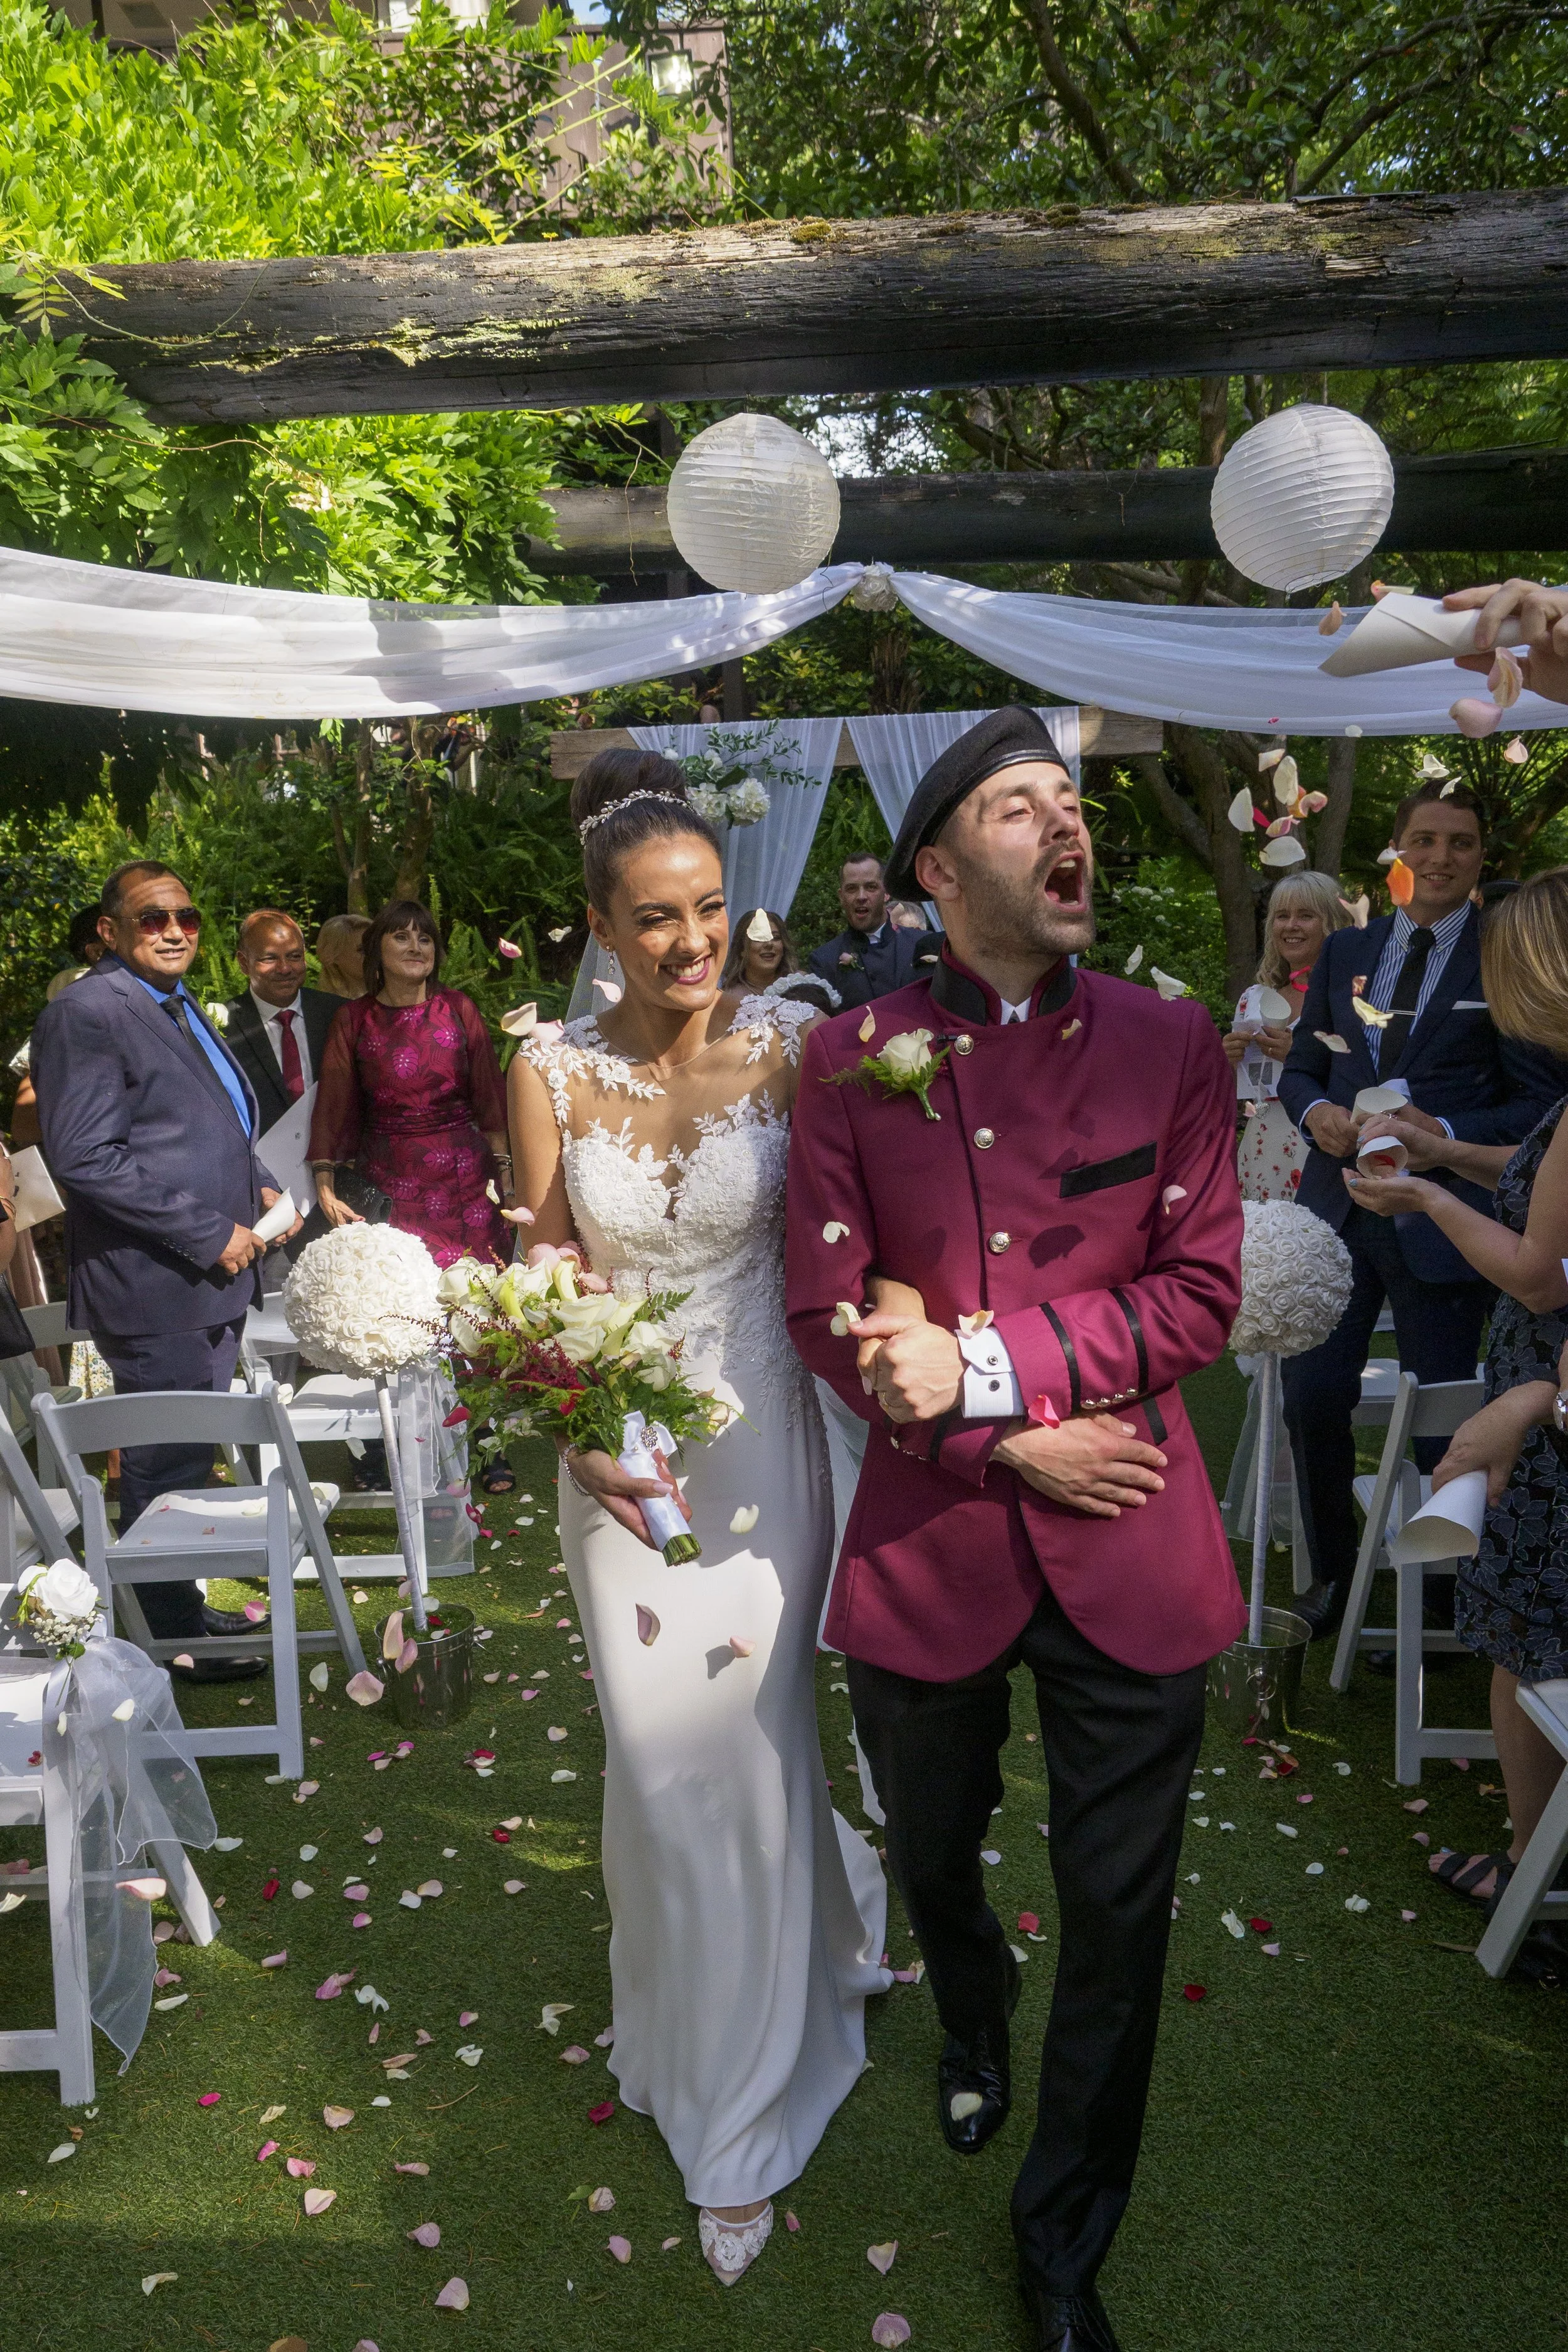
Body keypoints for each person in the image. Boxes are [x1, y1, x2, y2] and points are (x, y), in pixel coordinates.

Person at [787, 706, 1245, 2352]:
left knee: (1119, 1918)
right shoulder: (847, 1053)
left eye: (1073, 799)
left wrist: (987, 1366)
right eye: (1014, 803)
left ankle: (1064, 2237)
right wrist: (1004, 1447)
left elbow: (1197, 1295)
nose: (1066, 823)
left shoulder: (1168, 1040)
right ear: (931, 868)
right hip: (933, 1544)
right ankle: (967, 2013)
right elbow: (822, 1308)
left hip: (1130, 1531)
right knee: (930, 1849)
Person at [509, 746, 891, 2287]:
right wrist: (579, 1421)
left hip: (767, 1460)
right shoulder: (545, 1067)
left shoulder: (797, 1047)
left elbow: (862, 1231)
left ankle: (742, 2111)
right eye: (657, 917)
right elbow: (541, 1271)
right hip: (614, 1456)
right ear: (601, 923)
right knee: (659, 1764)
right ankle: (693, 2014)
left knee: (750, 1739)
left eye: (712, 909)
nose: (691, 941)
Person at [1276, 781, 1565, 1637]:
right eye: (1426, 840)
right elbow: (1299, 1067)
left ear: (1482, 857)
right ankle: (1334, 1572)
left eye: (1462, 843)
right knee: (1313, 1395)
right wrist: (1314, 1113)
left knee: (1443, 1416)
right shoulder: (1346, 952)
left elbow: (1538, 1109)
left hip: (1444, 1222)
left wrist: (1439, 1132)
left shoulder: (1503, 954)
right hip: (1338, 1207)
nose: (1441, 858)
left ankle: (1440, 1593)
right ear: (1398, 849)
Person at [1343, 868, 1568, 1960]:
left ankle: (1532, 1887)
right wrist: (1445, 1151)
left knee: (1527, 1644)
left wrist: (1429, 1196)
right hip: (1544, 1389)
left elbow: (1537, 1275)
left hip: (1551, 1412)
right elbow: (1536, 1173)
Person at [30, 859, 301, 1678]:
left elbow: (196, 1121)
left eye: (186, 914)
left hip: (206, 1276)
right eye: (152, 918)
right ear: (110, 931)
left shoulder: (172, 1003)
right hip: (158, 1284)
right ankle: (161, 1645)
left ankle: (177, 1611)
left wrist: (253, 1180)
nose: (175, 929)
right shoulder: (87, 1010)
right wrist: (204, 1230)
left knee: (185, 1458)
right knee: (164, 1462)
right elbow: (83, 1156)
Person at [307, 899, 511, 1269]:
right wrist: (326, 1184)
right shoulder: (353, 1020)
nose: (416, 947)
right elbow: (334, 1105)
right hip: (388, 1182)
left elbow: (490, 1096)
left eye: (425, 939)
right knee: (405, 1296)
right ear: (377, 950)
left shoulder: (458, 1008)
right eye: (401, 937)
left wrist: (509, 1180)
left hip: (468, 1182)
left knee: (481, 1296)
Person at [1223, 871, 1352, 1202]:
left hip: (1324, 1139)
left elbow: (1372, 1075)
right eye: (1282, 916)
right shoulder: (1255, 998)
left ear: (1334, 923)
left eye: (1306, 916)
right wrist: (1225, 1059)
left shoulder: (1353, 999)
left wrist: (1304, 1056)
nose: (1291, 925)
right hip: (1263, 1143)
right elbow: (1237, 1093)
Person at [225, 908, 342, 1135]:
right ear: (243, 963)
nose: (285, 968)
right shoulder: (222, 1028)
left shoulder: (338, 1014)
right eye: (270, 958)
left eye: (294, 956)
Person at [806, 852, 939, 1009]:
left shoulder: (923, 944)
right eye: (851, 889)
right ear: (841, 897)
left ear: (887, 893)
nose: (861, 896)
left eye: (871, 887)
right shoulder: (824, 960)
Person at [719, 906, 798, 994]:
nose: (769, 944)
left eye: (776, 938)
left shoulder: (801, 983)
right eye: (760, 938)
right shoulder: (729, 997)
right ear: (742, 949)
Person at [314, 911, 371, 1000]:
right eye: (362, 950)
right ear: (334, 956)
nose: (373, 954)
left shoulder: (394, 997)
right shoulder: (325, 1007)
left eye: (375, 946)